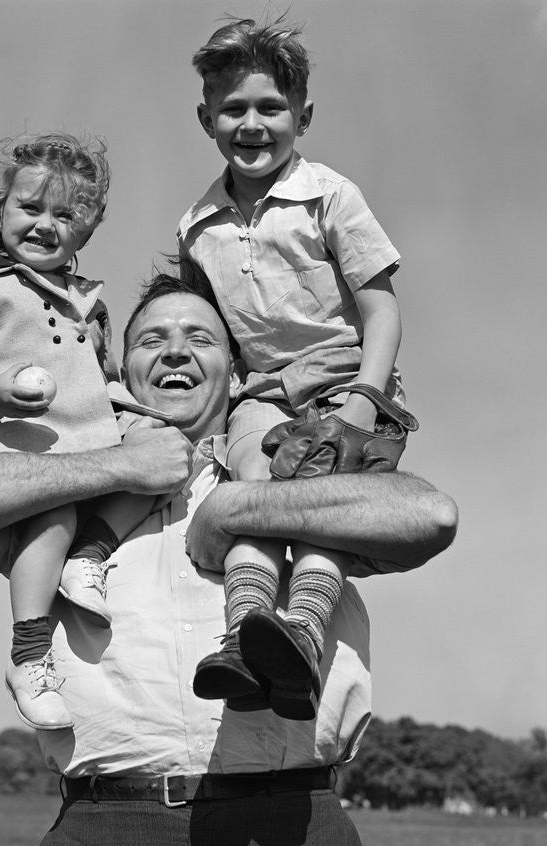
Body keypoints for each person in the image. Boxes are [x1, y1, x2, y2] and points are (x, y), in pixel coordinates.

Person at [0, 270, 458, 846]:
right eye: (151, 339)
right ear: (118, 370)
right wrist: (119, 467)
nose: (175, 352)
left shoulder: (292, 471)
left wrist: (236, 507)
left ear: (237, 369)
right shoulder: (66, 491)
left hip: (285, 844)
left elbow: (428, 515)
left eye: (201, 338)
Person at [178, 18, 418, 721]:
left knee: (318, 506)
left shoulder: (330, 196)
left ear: (303, 117)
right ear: (207, 120)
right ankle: (244, 638)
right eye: (233, 109)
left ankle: (304, 636)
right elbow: (214, 336)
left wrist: (364, 403)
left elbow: (382, 312)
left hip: (345, 378)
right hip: (260, 391)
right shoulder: (196, 226)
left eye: (271, 108)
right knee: (254, 493)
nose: (252, 124)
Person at [0, 132, 166, 730]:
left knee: (159, 466)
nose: (45, 225)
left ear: (87, 230)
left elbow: (103, 377)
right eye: (30, 207)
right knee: (53, 514)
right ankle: (29, 655)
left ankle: (90, 555)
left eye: (65, 216)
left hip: (93, 442)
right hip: (21, 450)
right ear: (1, 210)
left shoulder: (89, 300)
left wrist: (141, 419)